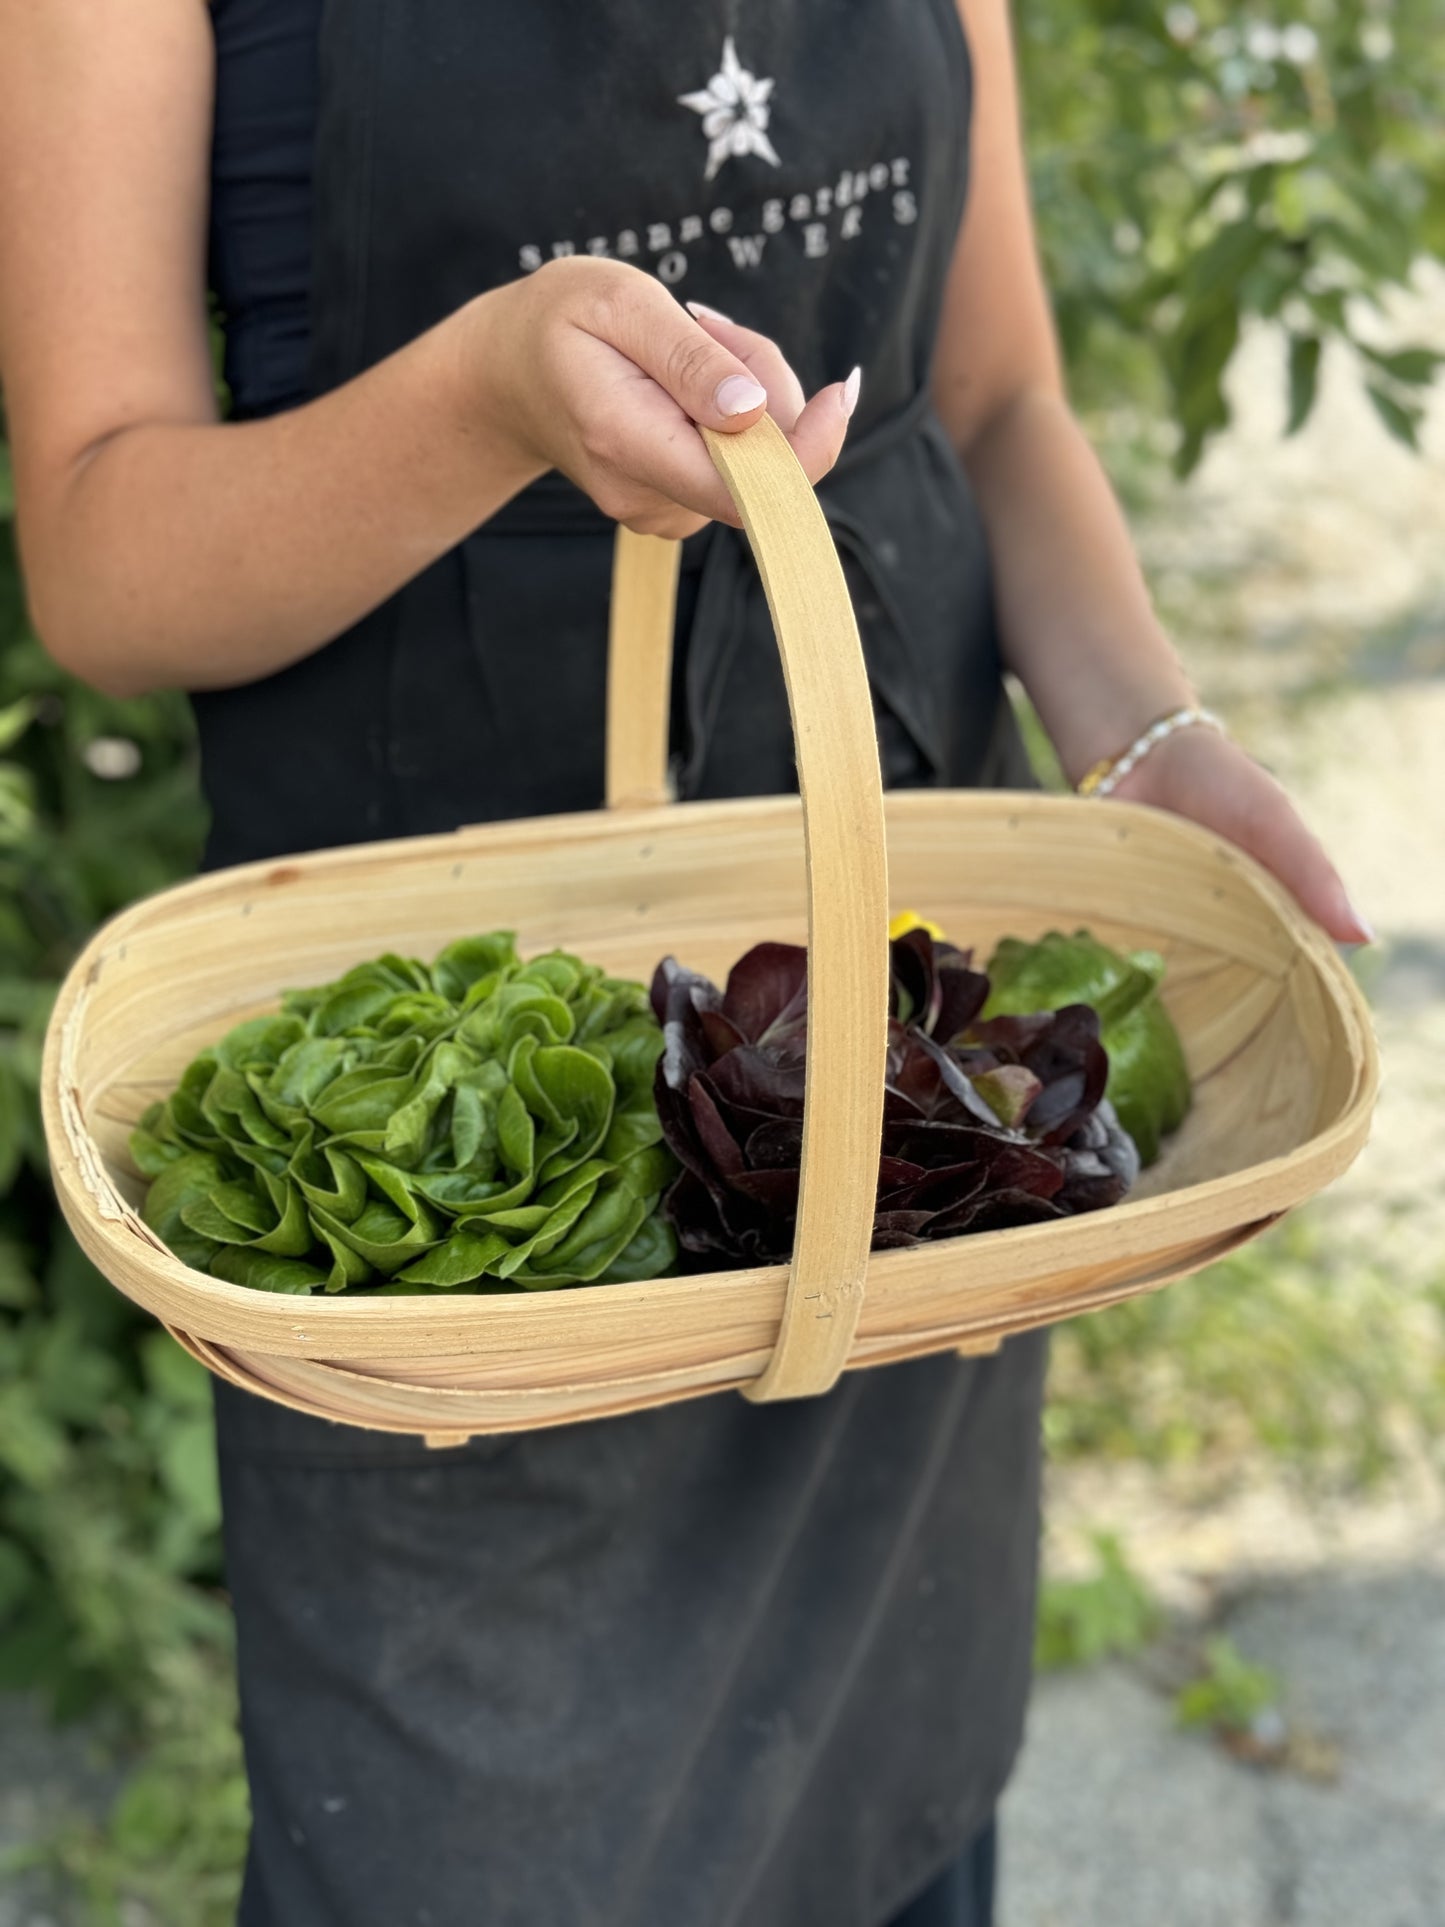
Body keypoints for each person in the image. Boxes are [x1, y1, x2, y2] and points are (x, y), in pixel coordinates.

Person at [0, 2, 1368, 1922]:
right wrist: (480, 402)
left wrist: (1150, 742)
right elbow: (97, 557)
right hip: (452, 1158)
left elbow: (987, 397)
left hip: (891, 1058)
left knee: (888, 1792)